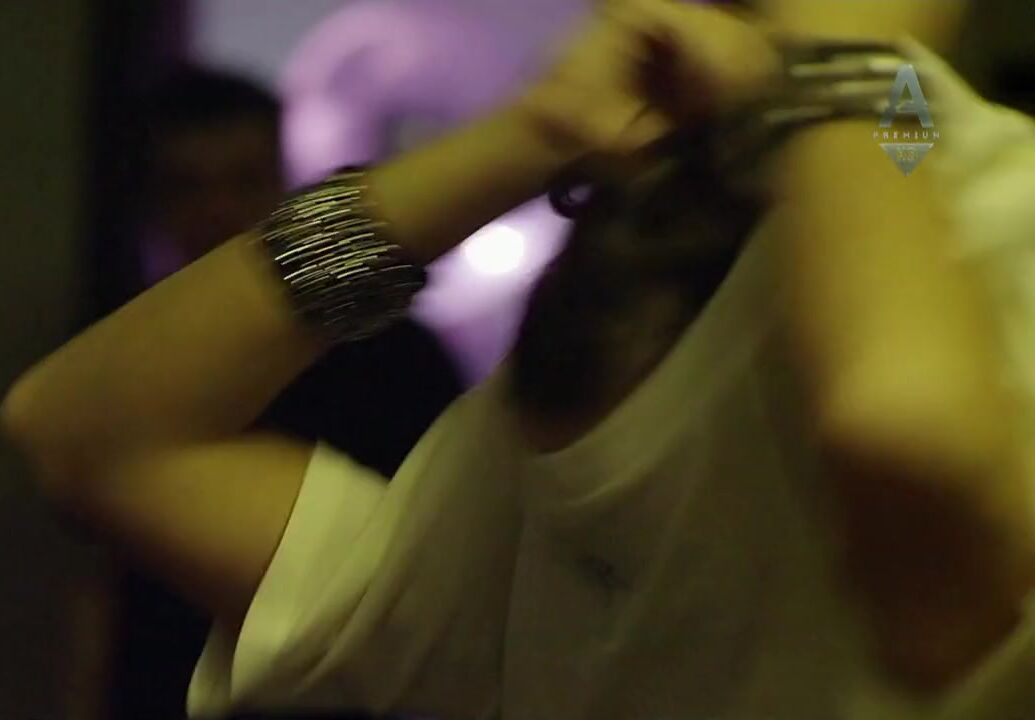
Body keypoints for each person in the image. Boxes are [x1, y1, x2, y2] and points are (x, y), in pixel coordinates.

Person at [5, 1, 1035, 719]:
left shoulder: (521, 582)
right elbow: (86, 432)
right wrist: (858, 65)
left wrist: (530, 139)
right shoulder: (521, 564)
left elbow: (905, 431)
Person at [85, 66, 465, 720]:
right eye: (187, 187)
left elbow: (443, 564)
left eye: (244, 180)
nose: (217, 211)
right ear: (152, 203)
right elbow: (94, 576)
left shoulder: (393, 357)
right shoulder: (119, 359)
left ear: (281, 181)